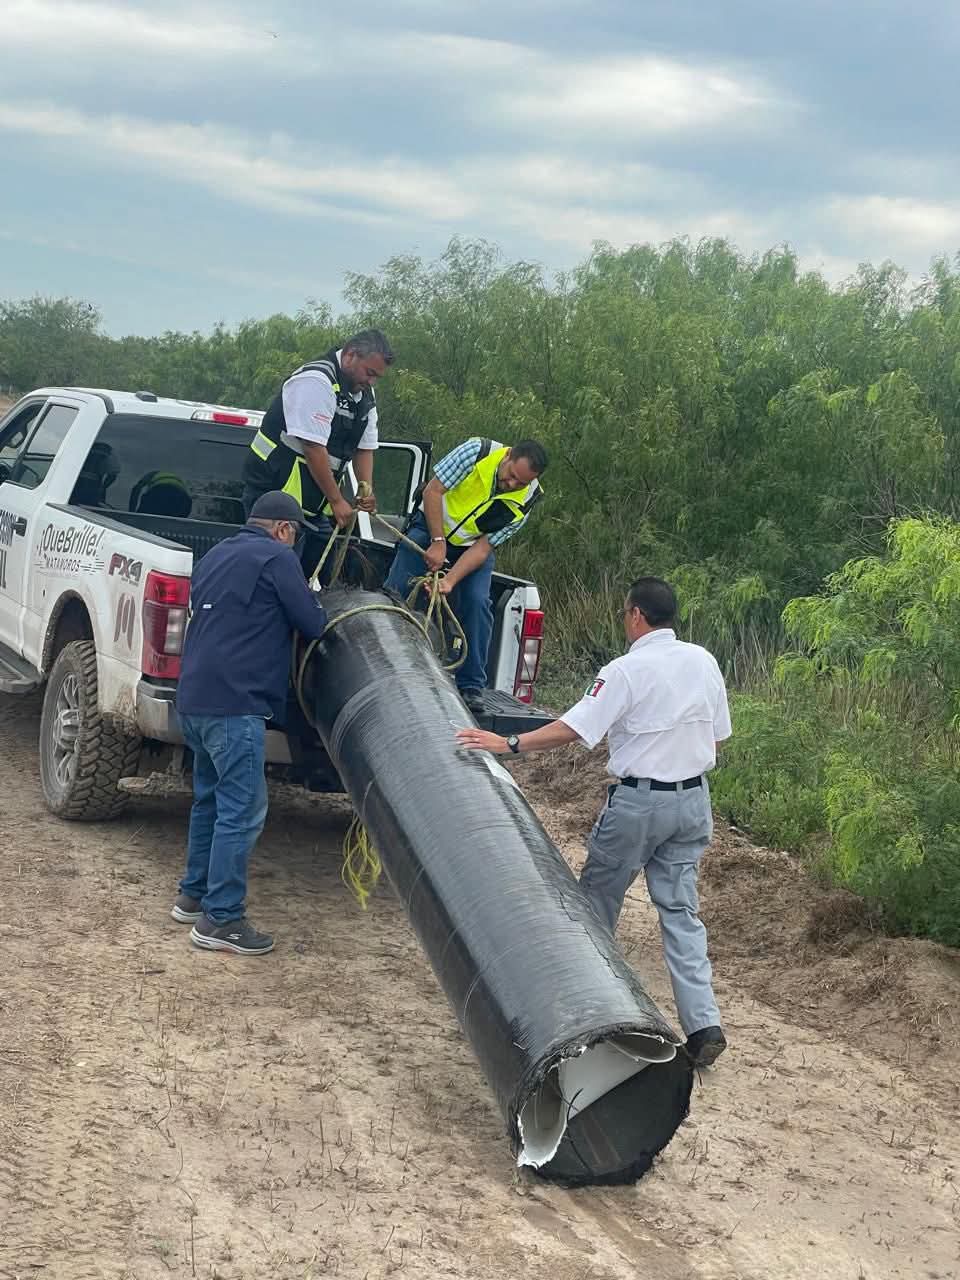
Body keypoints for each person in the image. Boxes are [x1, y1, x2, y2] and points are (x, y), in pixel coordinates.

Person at [456, 576, 732, 1068]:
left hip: (639, 804)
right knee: (682, 915)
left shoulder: (625, 670)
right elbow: (716, 741)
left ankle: (589, 1017)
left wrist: (509, 744)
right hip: (693, 803)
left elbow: (574, 727)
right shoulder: (703, 661)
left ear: (636, 616)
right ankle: (703, 1024)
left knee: (596, 907)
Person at [170, 491, 329, 956]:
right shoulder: (277, 558)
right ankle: (221, 920)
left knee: (209, 802)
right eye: (295, 536)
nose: (294, 544)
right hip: (236, 706)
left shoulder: (216, 554)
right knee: (242, 811)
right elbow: (313, 623)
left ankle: (192, 896)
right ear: (283, 530)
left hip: (195, 700)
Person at [384, 437, 547, 712]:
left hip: (472, 546)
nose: (512, 485)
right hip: (430, 527)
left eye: (521, 483)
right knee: (395, 591)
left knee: (477, 603)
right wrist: (437, 541)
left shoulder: (528, 498)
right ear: (507, 457)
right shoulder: (476, 452)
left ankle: (472, 686)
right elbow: (433, 492)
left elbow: (484, 547)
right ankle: (383, 657)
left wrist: (450, 580)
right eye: (511, 477)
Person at [241, 330, 394, 574]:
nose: (372, 381)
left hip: (311, 507)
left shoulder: (364, 394)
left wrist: (367, 489)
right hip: (274, 499)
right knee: (275, 575)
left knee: (321, 575)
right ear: (350, 355)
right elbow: (313, 448)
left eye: (377, 377)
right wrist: (336, 501)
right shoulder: (316, 381)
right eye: (370, 373)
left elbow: (364, 448)